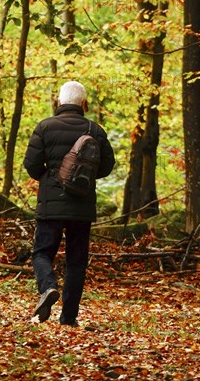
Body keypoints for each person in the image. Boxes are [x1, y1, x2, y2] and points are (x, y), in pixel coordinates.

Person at [24, 81, 115, 326]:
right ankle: (69, 318)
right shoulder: (95, 130)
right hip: (82, 206)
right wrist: (81, 179)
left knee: (42, 253)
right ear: (83, 103)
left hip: (50, 204)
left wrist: (50, 178)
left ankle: (48, 287)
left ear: (59, 102)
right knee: (76, 261)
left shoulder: (45, 127)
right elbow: (106, 166)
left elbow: (31, 164)